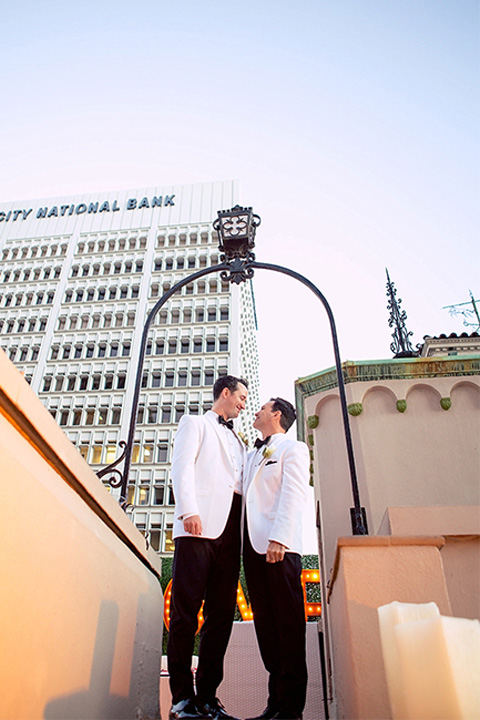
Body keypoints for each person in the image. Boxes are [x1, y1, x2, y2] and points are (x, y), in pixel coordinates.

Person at [167, 375, 249, 720]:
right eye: (242, 396)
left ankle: (209, 698)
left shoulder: (241, 441)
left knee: (221, 616)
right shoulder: (196, 423)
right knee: (185, 613)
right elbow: (182, 466)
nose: (245, 403)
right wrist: (189, 511)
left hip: (233, 531)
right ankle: (183, 698)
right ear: (225, 393)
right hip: (197, 526)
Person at [243, 398, 310, 720]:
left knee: (288, 628)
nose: (256, 411)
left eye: (262, 408)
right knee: (266, 629)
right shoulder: (252, 453)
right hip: (252, 550)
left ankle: (291, 710)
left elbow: (294, 493)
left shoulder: (292, 449)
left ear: (277, 414)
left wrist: (279, 538)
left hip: (278, 549)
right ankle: (275, 706)